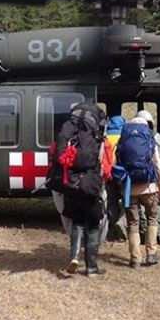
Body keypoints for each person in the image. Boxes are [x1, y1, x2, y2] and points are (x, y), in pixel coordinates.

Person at [46, 102, 108, 276]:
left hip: (70, 183)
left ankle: (74, 257)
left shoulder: (68, 129)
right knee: (94, 224)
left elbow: (58, 157)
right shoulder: (95, 132)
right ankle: (91, 267)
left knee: (77, 222)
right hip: (90, 183)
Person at [117, 116, 160, 268]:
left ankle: (135, 259)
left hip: (129, 188)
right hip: (150, 188)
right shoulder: (151, 142)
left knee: (133, 222)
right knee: (152, 218)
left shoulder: (123, 142)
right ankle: (151, 253)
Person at [135, 110, 160, 245]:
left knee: (141, 209)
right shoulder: (159, 138)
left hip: (138, 177)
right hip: (154, 176)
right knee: (157, 206)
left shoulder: (135, 137)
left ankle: (144, 233)